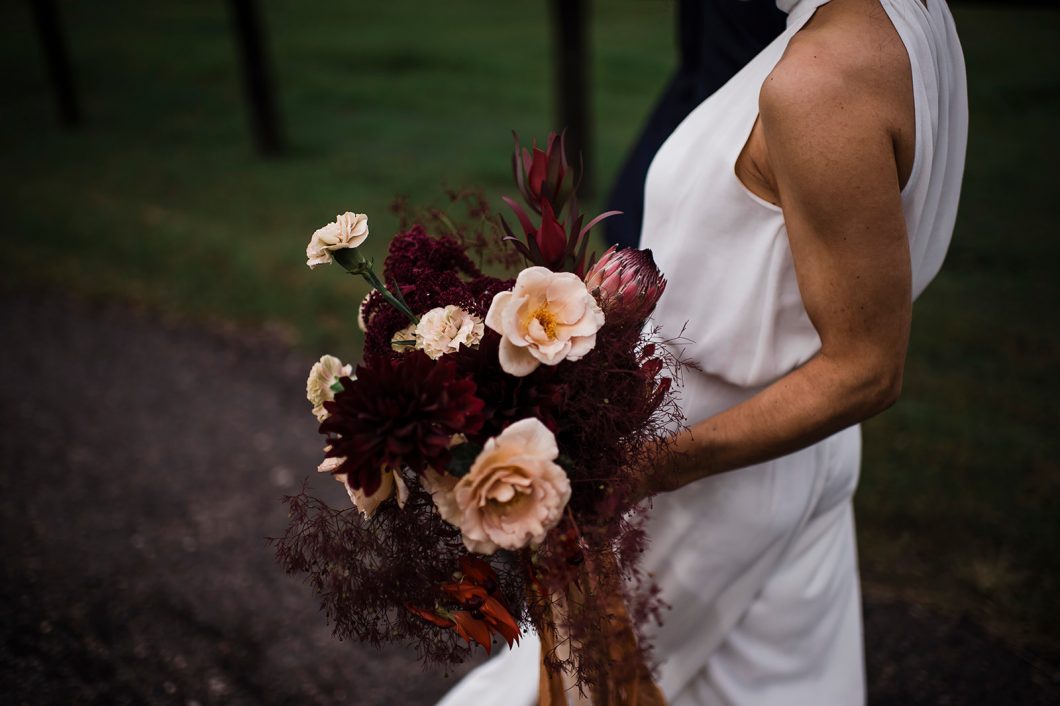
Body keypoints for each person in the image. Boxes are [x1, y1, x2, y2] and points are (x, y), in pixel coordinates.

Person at [437, 0, 968, 704]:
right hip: (786, 456)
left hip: (715, 480)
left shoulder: (818, 86)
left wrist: (630, 472)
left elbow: (866, 369)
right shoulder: (899, 17)